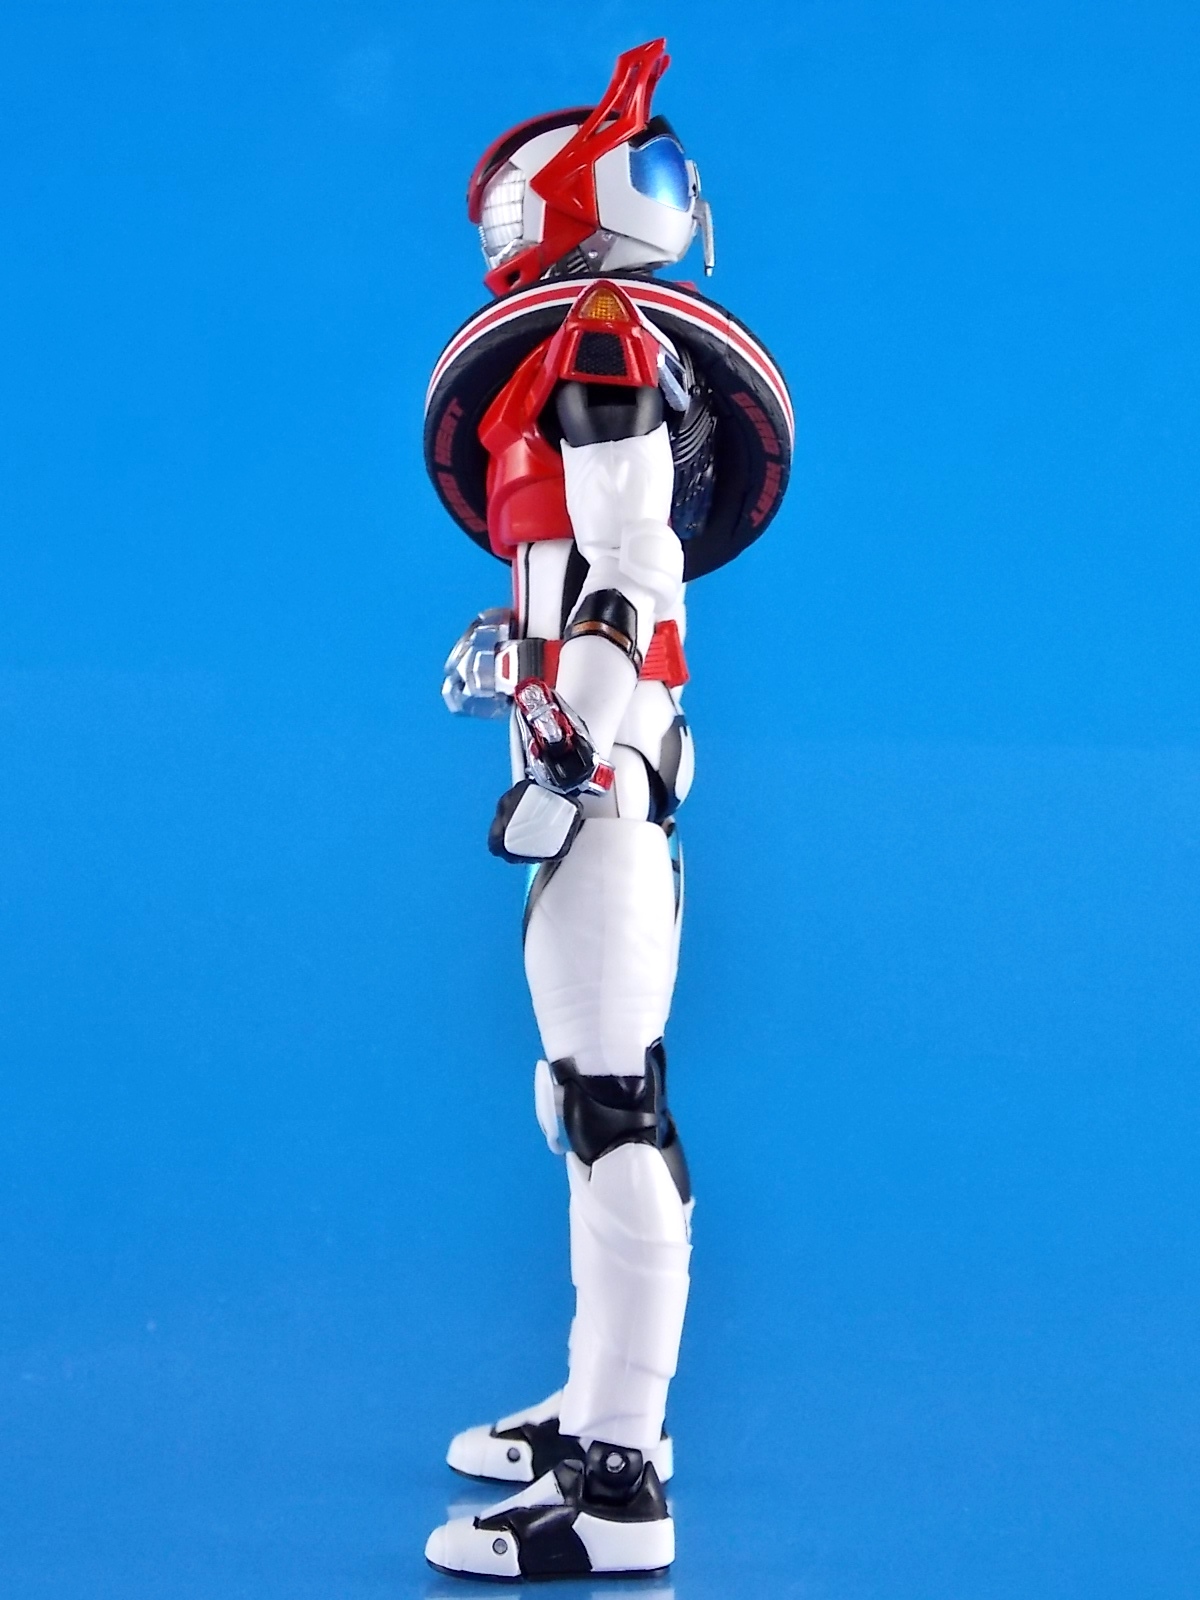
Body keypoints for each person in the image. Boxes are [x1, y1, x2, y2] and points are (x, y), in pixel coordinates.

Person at [422, 38, 792, 1581]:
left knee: (610, 1104)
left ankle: (620, 1483)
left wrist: (570, 732)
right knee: (584, 1097)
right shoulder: (593, 343)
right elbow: (595, 572)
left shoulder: (597, 343)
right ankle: (597, 1403)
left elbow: (633, 572)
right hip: (592, 767)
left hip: (603, 774)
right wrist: (534, 682)